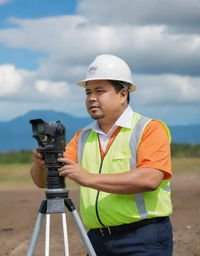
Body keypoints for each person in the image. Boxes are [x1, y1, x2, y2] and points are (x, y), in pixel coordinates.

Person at [30, 54, 173, 256]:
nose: (91, 98)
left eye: (100, 91)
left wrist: (88, 178)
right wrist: (40, 164)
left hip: (143, 238)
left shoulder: (149, 129)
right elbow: (42, 181)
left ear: (123, 94)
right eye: (88, 92)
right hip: (98, 240)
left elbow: (150, 178)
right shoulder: (83, 136)